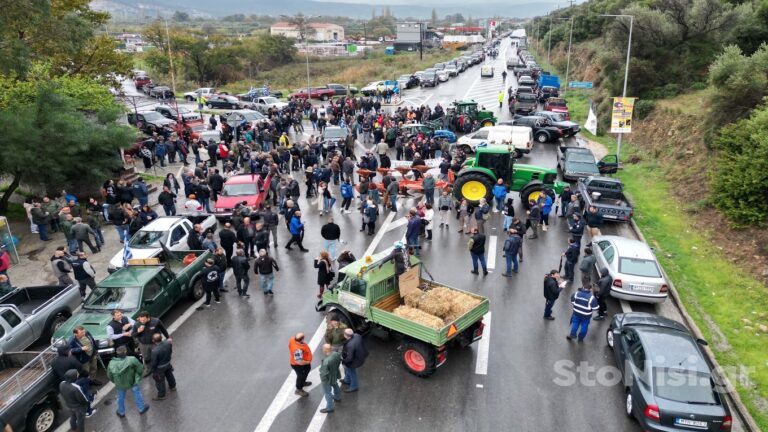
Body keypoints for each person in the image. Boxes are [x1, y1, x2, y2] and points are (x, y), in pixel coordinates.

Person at [107, 345, 149, 418]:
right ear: (125, 352)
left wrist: (115, 381)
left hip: (120, 383)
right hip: (132, 380)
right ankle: (141, 408)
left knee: (120, 397)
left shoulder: (111, 363)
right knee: (137, 393)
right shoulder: (132, 359)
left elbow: (109, 375)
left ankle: (121, 412)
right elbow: (140, 369)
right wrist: (137, 377)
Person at [150, 333, 176, 400]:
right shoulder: (168, 343)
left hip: (159, 368)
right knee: (169, 375)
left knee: (160, 381)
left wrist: (153, 370)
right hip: (167, 363)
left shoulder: (155, 351)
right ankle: (173, 386)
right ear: (161, 338)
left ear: (153, 340)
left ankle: (161, 395)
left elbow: (154, 363)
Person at [341, 328, 367, 393]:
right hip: (359, 356)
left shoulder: (350, 345)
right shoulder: (357, 335)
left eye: (344, 333)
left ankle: (354, 387)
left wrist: (343, 361)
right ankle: (347, 380)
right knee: (348, 370)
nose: (343, 334)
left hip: (354, 361)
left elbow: (349, 358)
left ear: (347, 336)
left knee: (352, 373)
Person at [319, 343, 342, 414]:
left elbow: (323, 373)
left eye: (323, 348)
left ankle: (330, 408)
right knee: (335, 385)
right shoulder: (336, 354)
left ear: (325, 350)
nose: (322, 349)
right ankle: (338, 397)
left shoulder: (326, 361)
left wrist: (323, 380)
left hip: (328, 378)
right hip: (334, 374)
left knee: (327, 393)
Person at [289, 333, 313, 397]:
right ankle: (298, 389)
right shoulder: (298, 350)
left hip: (298, 362)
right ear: (302, 339)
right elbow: (299, 362)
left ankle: (303, 382)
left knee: (305, 372)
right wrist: (307, 362)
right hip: (299, 365)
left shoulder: (292, 340)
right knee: (301, 376)